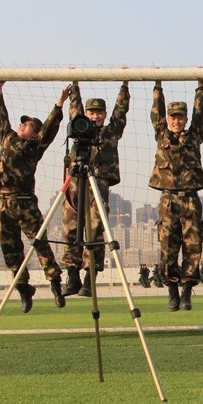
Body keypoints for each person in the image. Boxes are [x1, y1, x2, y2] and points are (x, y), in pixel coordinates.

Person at [0, 81, 69, 312]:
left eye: (30, 125)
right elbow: (0, 116)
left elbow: (50, 129)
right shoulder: (7, 138)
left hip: (24, 201)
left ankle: (54, 281)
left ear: (35, 134)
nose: (24, 125)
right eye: (23, 123)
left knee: (39, 242)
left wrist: (59, 104)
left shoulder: (34, 147)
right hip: (1, 202)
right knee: (10, 247)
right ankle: (23, 287)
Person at [62, 82, 128, 298]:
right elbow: (74, 108)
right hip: (74, 183)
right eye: (91, 112)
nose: (95, 116)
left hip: (98, 184)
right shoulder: (79, 129)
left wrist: (124, 86)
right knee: (70, 229)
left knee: (95, 231)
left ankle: (90, 278)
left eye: (99, 112)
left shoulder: (111, 132)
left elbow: (121, 111)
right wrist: (75, 85)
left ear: (104, 114)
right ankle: (72, 274)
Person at [149, 80, 203, 311]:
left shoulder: (193, 136)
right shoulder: (161, 134)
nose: (176, 121)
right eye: (172, 117)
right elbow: (156, 112)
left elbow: (200, 115)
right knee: (168, 245)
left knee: (193, 245)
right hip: (168, 198)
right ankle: (172, 290)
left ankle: (186, 291)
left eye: (180, 117)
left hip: (190, 197)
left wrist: (200, 88)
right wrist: (158, 87)